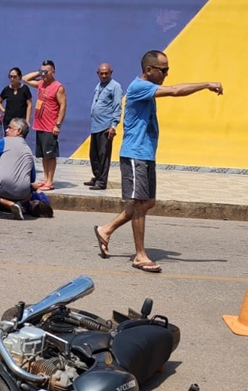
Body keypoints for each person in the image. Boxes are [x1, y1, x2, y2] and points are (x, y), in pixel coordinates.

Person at [93, 50, 223, 273]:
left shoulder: (147, 88)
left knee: (147, 202)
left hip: (145, 153)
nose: (166, 74)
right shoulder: (138, 87)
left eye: (168, 70)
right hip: (135, 154)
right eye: (163, 70)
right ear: (149, 70)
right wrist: (206, 84)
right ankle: (140, 256)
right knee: (141, 205)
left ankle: (106, 229)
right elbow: (175, 91)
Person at [0, 118, 42, 219]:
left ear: (18, 131)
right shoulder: (28, 150)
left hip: (2, 188)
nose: (6, 130)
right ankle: (16, 203)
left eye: (9, 128)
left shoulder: (5, 141)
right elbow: (32, 178)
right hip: (24, 193)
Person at [23, 60, 66, 190]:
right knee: (43, 155)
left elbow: (63, 106)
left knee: (50, 155)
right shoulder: (41, 84)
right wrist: (40, 72)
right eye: (42, 71)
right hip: (39, 125)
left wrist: (58, 125)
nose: (43, 74)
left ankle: (50, 181)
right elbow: (25, 79)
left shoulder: (58, 87)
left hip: (50, 126)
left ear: (53, 72)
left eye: (46, 71)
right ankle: (46, 178)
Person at [86, 62, 123, 190]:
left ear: (111, 72)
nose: (104, 75)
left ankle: (102, 182)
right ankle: (97, 176)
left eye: (106, 73)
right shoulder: (99, 85)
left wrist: (113, 126)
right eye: (101, 73)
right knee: (94, 155)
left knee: (103, 156)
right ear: (98, 73)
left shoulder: (115, 87)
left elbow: (117, 107)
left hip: (106, 126)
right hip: (95, 126)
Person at [0, 67, 32, 134]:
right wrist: (3, 110)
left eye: (15, 77)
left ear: (19, 77)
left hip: (20, 122)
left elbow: (29, 105)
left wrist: (27, 121)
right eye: (10, 77)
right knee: (9, 141)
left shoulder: (25, 89)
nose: (12, 79)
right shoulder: (6, 89)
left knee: (19, 141)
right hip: (8, 122)